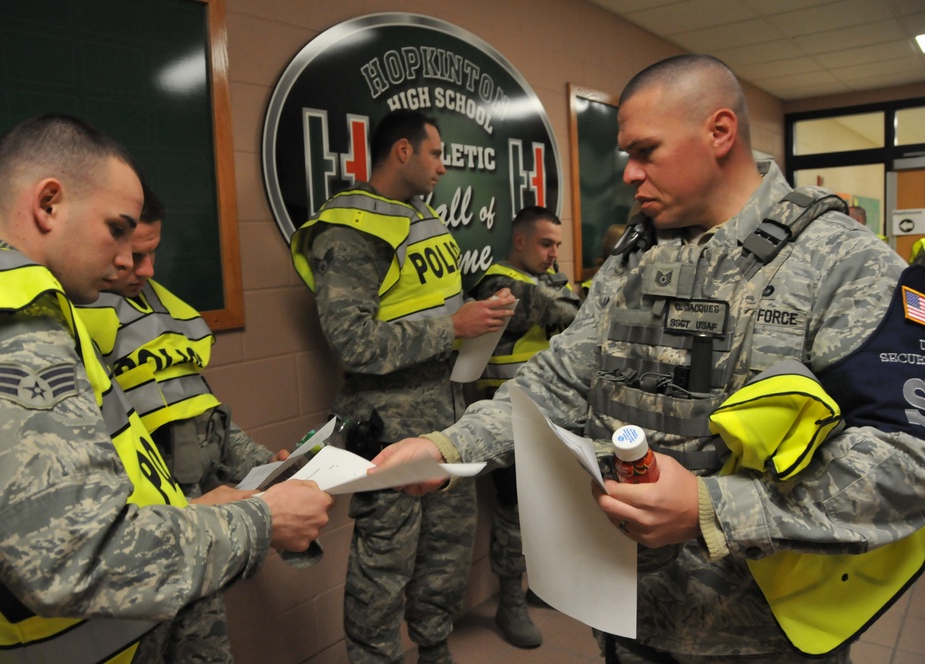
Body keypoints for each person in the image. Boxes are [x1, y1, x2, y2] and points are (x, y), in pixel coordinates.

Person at [371, 55, 924, 663]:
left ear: (719, 132)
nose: (629, 175)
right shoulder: (639, 252)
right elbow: (559, 382)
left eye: (646, 151)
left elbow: (906, 462)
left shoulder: (845, 263)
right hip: (627, 616)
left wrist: (713, 509)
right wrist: (449, 446)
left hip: (757, 637)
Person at [0, 114, 334, 660]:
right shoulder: (4, 318)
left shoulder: (21, 303)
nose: (127, 260)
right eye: (117, 229)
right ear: (48, 204)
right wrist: (264, 521)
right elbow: (73, 556)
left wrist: (194, 512)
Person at [290, 109, 515, 664]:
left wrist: (478, 315)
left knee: (446, 552)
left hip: (445, 413)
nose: (444, 166)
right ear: (403, 152)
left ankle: (435, 647)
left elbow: (429, 305)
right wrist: (452, 328)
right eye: (436, 153)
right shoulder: (350, 229)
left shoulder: (421, 219)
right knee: (384, 565)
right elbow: (353, 342)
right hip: (386, 424)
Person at [76, 185, 295, 662]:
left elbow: (195, 411)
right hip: (131, 544)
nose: (147, 271)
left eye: (153, 253)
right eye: (135, 256)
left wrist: (267, 465)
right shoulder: (59, 326)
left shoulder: (161, 309)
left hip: (200, 528)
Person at [470, 205, 580, 649]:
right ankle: (510, 602)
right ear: (519, 241)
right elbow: (573, 315)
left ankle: (542, 585)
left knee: (549, 506)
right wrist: (571, 299)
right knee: (514, 512)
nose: (554, 254)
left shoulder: (546, 279)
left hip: (550, 414)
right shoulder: (499, 284)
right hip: (508, 418)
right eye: (545, 244)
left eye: (557, 245)